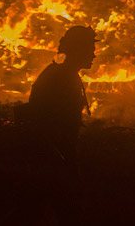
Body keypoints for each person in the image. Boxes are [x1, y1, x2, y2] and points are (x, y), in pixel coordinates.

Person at [23, 25, 97, 168]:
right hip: (49, 158)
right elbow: (51, 123)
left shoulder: (65, 75)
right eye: (90, 50)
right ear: (78, 50)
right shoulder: (61, 78)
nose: (93, 55)